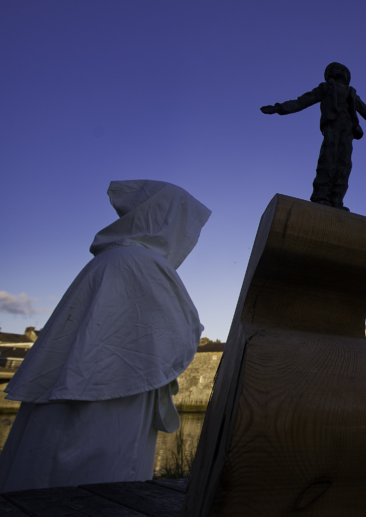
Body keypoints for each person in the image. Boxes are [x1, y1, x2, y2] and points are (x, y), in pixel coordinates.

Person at [0, 180, 210, 491]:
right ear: (166, 220)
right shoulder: (142, 264)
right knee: (97, 486)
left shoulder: (114, 260)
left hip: (88, 394)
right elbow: (176, 332)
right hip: (106, 405)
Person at [260, 62, 366, 210]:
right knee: (328, 157)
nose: (340, 71)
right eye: (335, 69)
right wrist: (278, 108)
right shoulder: (326, 87)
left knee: (344, 163)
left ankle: (336, 199)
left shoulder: (351, 93)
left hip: (348, 128)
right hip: (332, 125)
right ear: (329, 74)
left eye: (343, 70)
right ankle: (320, 196)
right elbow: (302, 101)